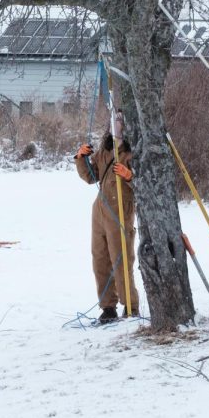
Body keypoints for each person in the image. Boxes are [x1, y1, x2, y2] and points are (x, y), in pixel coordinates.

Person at [74, 130, 139, 323]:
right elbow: (90, 176)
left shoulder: (133, 152)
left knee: (121, 258)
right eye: (115, 120)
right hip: (100, 209)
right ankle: (108, 307)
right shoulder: (104, 151)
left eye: (120, 120)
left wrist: (129, 176)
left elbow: (144, 184)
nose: (117, 125)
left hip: (121, 209)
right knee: (100, 258)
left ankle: (131, 306)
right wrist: (81, 157)